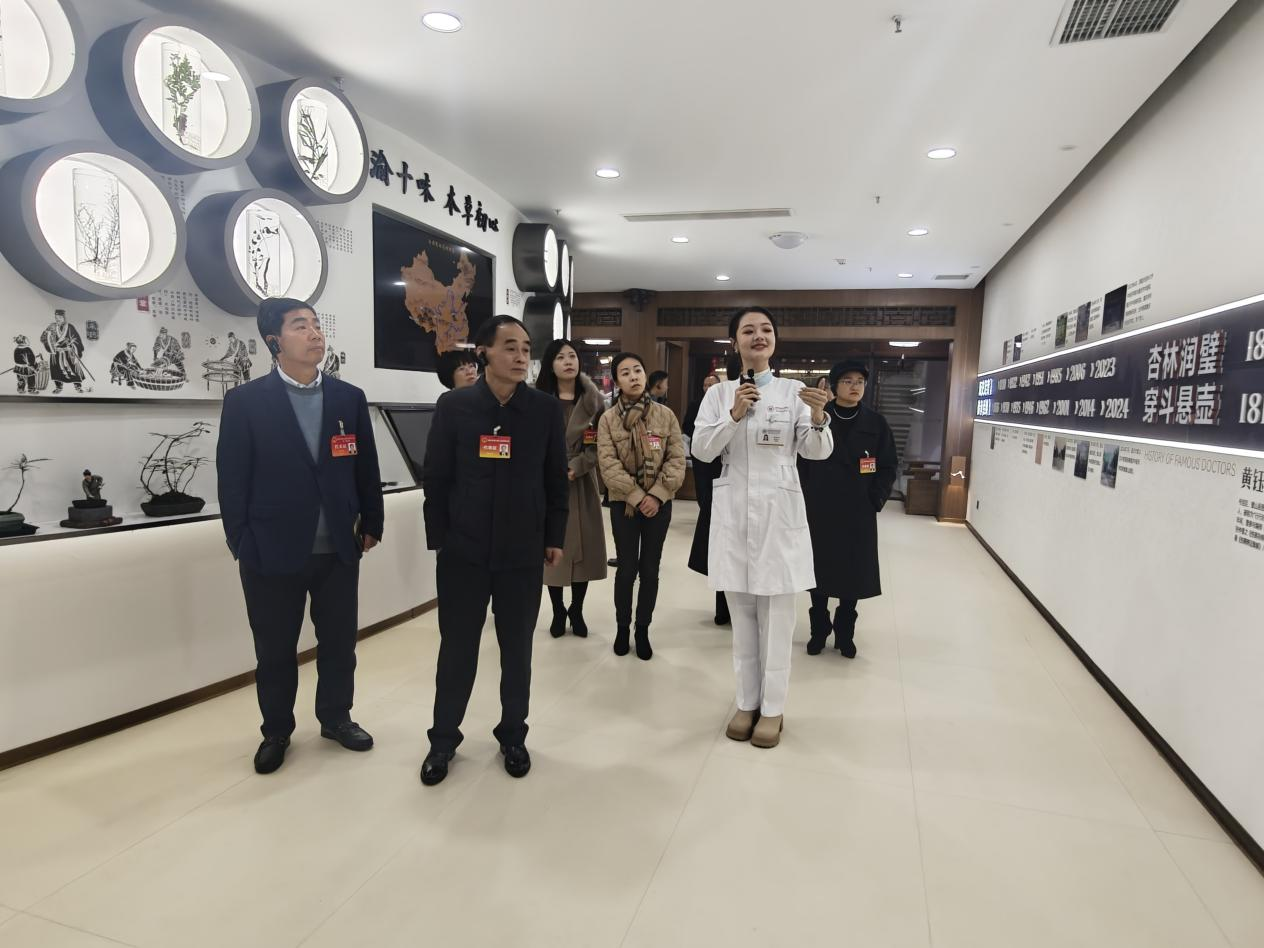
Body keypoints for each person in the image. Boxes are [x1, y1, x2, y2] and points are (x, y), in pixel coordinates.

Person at [216, 297, 384, 775]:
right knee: (274, 651)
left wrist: (372, 522)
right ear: (274, 341)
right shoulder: (246, 402)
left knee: (339, 644)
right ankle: (276, 730)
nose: (314, 333)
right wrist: (240, 541)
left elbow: (365, 468)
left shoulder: (348, 398)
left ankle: (336, 717)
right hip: (269, 551)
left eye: (316, 324)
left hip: (338, 548)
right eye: (300, 326)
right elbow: (232, 478)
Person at [419, 315, 568, 786]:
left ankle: (513, 735)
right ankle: (443, 740)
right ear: (484, 352)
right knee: (457, 649)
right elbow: (436, 477)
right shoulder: (455, 406)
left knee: (517, 649)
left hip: (522, 551)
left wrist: (554, 536)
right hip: (463, 552)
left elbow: (555, 479)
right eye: (510, 347)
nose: (521, 356)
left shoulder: (544, 410)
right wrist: (440, 539)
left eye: (526, 348)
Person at [692, 307, 832, 748]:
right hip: (735, 511)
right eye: (748, 330)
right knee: (743, 620)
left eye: (766, 329)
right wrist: (733, 414)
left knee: (778, 620)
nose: (758, 336)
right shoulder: (719, 394)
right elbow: (702, 450)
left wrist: (819, 420)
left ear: (775, 340)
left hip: (779, 512)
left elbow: (815, 452)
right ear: (734, 342)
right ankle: (746, 702)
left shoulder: (794, 393)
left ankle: (772, 708)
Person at [799, 360, 898, 658]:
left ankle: (845, 633)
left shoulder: (876, 423)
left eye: (860, 382)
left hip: (858, 510)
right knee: (818, 571)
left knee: (853, 573)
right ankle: (819, 631)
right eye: (847, 381)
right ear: (833, 385)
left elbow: (888, 465)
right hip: (820, 508)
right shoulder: (818, 417)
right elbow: (801, 461)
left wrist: (875, 499)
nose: (855, 387)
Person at [597, 351, 685, 660]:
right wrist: (637, 496)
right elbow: (608, 465)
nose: (633, 376)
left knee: (650, 570)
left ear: (645, 376)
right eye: (625, 373)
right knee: (626, 569)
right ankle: (622, 628)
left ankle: (642, 629)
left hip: (659, 505)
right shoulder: (608, 419)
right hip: (624, 505)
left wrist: (657, 495)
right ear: (616, 381)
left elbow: (676, 459)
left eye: (637, 370)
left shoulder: (665, 415)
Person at [535, 338, 607, 638]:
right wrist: (551, 468)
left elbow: (600, 443)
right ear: (550, 364)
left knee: (584, 550)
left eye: (573, 356)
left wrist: (577, 466)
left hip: (582, 483)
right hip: (546, 483)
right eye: (561, 357)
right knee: (553, 546)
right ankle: (557, 610)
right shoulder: (536, 399)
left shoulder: (594, 401)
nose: (568, 361)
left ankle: (576, 609)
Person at [684, 371, 729, 625]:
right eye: (705, 384)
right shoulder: (697, 406)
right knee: (719, 544)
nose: (708, 388)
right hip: (707, 467)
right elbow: (694, 437)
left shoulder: (730, 402)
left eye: (712, 384)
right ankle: (722, 605)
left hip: (731, 472)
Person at [40, 309, 85, 394]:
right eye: (56, 317)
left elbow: (77, 339)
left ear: (64, 318)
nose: (58, 319)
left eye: (60, 317)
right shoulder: (52, 327)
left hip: (68, 353)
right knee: (56, 371)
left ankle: (78, 386)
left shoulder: (70, 327)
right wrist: (47, 336)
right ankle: (58, 387)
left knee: (73, 369)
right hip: (56, 353)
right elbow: (43, 338)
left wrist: (71, 344)